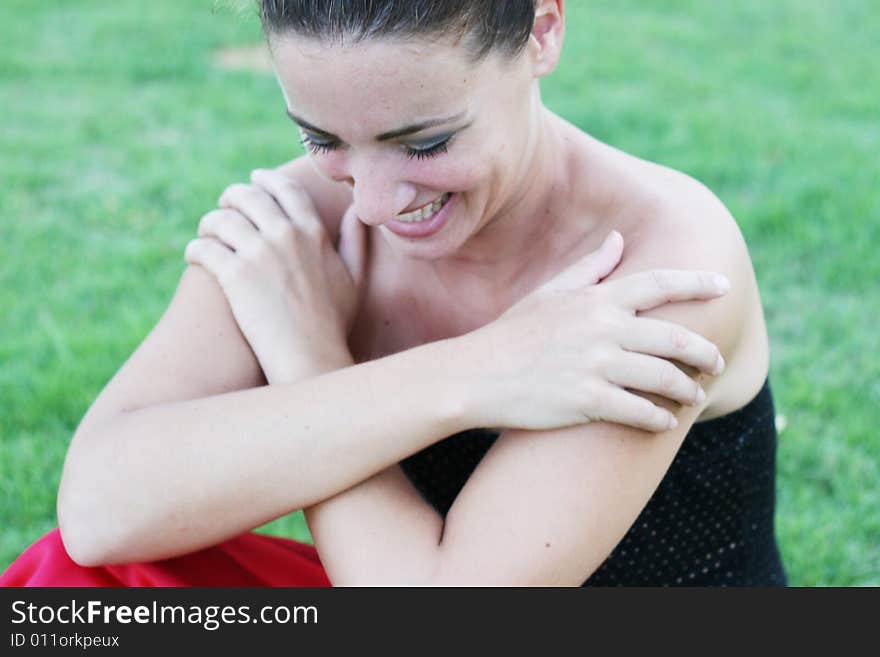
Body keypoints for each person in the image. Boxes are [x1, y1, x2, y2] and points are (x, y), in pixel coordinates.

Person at [1, 0, 785, 587]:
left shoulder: (668, 263)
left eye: (427, 142)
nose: (372, 205)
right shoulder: (300, 225)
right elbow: (100, 511)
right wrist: (487, 368)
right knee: (82, 597)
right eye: (323, 138)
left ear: (543, 30)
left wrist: (309, 358)